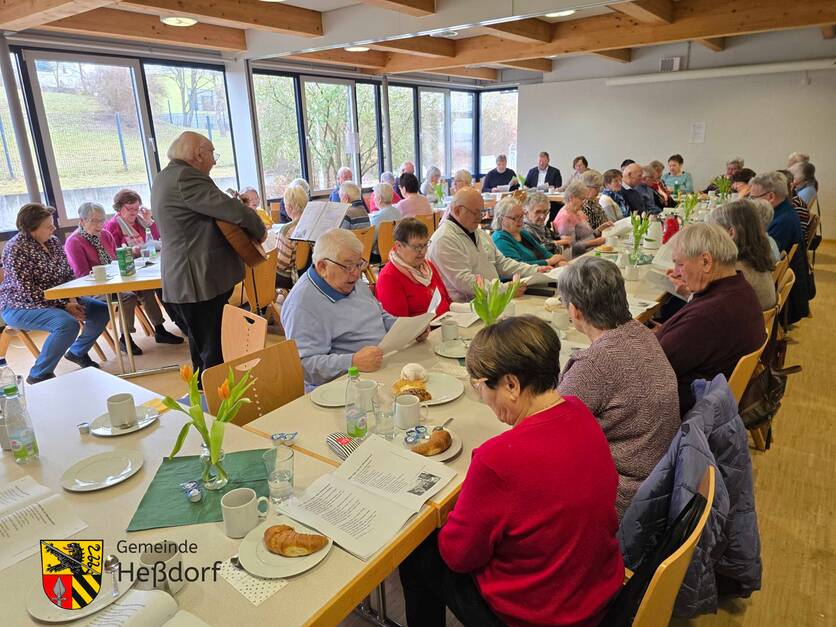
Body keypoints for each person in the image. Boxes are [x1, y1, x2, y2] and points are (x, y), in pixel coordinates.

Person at [400, 315, 624, 627]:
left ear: (511, 384)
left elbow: (459, 556)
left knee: (417, 549)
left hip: (540, 614)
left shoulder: (497, 460)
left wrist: (453, 517)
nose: (484, 399)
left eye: (481, 387)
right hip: (596, 592)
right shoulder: (579, 411)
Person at [557, 257, 680, 518]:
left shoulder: (595, 364)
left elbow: (549, 427)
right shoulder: (640, 331)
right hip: (658, 478)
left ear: (575, 310)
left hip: (624, 498)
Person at [151, 131, 266, 375]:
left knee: (203, 345)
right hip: (198, 279)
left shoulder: (166, 176)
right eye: (212, 153)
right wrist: (259, 229)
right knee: (213, 350)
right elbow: (232, 211)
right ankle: (216, 400)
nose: (214, 160)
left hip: (187, 278)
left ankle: (207, 394)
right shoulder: (187, 177)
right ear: (198, 154)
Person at [655, 223, 765, 415]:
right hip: (717, 396)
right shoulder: (739, 289)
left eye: (680, 264)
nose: (676, 271)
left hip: (685, 411)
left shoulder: (707, 317)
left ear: (706, 262)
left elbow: (650, 367)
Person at [1, 203, 110, 384]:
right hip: (20, 305)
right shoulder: (15, 248)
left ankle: (77, 352)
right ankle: (39, 374)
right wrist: (64, 305)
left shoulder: (51, 242)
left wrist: (72, 299)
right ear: (31, 229)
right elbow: (27, 290)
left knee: (101, 311)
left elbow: (67, 274)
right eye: (48, 225)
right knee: (66, 324)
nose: (54, 228)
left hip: (57, 299)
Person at [280, 228, 396, 390]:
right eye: (348, 266)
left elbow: (378, 315)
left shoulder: (348, 281)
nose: (356, 274)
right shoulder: (302, 304)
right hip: (347, 384)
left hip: (382, 364)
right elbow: (304, 365)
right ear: (322, 267)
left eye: (358, 264)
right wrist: (352, 362)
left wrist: (405, 327)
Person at [65, 202, 182, 354]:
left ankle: (159, 329)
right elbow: (82, 275)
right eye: (94, 220)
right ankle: (125, 338)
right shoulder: (74, 242)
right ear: (81, 221)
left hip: (115, 279)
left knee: (146, 289)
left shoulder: (105, 235)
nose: (99, 225)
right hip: (93, 286)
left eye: (101, 220)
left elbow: (115, 259)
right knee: (127, 296)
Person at [428, 188, 542, 302]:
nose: (480, 217)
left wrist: (535, 270)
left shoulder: (478, 232)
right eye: (475, 212)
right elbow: (465, 283)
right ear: (457, 211)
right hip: (465, 309)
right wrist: (505, 289)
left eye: (482, 212)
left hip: (492, 299)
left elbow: (501, 262)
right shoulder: (444, 239)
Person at [749, 171, 811, 322]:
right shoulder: (784, 211)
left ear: (770, 197)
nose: (750, 202)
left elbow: (764, 260)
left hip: (780, 296)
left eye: (753, 197)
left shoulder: (781, 221)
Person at [376, 218, 452, 318]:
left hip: (445, 322)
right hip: (423, 331)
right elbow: (399, 324)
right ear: (398, 246)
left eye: (425, 245)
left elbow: (446, 299)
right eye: (416, 247)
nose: (422, 251)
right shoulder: (389, 277)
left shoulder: (427, 266)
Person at [708, 200, 777, 309]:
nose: (711, 237)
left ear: (731, 233)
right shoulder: (757, 257)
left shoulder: (734, 272)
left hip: (738, 323)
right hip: (756, 320)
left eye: (715, 231)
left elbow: (706, 308)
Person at [491, 197, 565, 267]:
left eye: (521, 216)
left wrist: (560, 262)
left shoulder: (523, 233)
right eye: (515, 218)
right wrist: (548, 262)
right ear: (501, 219)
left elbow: (545, 253)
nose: (520, 221)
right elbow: (516, 266)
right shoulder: (499, 239)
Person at [553, 181, 609, 257]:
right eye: (582, 199)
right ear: (571, 198)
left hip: (590, 251)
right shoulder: (565, 217)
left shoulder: (578, 212)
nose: (584, 202)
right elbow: (571, 248)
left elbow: (588, 236)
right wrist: (594, 242)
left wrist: (600, 229)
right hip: (579, 257)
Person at [105, 189, 161, 257]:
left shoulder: (141, 221)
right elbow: (114, 253)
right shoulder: (113, 225)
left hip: (149, 259)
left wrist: (149, 221)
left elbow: (158, 241)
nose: (134, 212)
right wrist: (132, 251)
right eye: (130, 208)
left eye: (136, 209)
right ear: (119, 207)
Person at [275, 184, 309, 291]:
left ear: (289, 207)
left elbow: (281, 264)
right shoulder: (312, 223)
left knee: (262, 272)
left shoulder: (287, 230)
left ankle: (264, 305)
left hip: (292, 275)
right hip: (309, 271)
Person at [369, 182, 401, 258]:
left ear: (379, 199)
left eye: (375, 196)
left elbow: (371, 243)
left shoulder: (377, 217)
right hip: (396, 252)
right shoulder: (398, 212)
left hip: (379, 255)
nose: (374, 198)